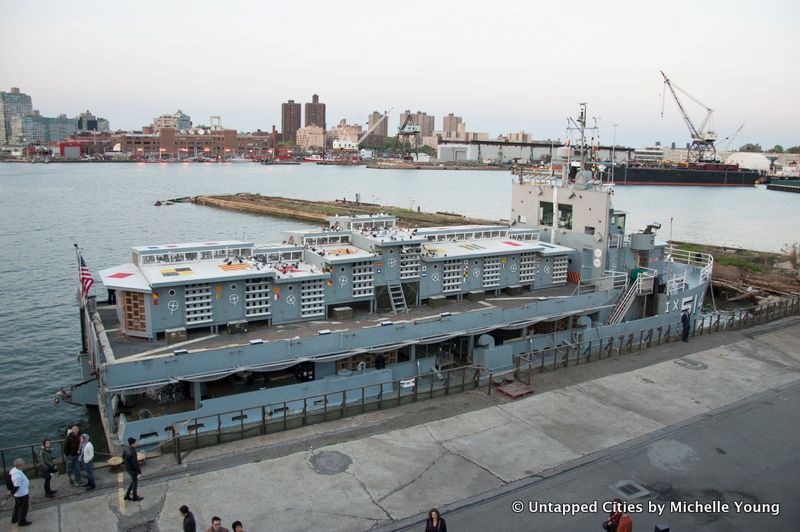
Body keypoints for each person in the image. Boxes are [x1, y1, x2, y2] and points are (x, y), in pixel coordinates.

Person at [9, 457, 32, 526]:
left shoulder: (13, 470)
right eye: (23, 464)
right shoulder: (17, 475)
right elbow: (16, 486)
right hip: (21, 494)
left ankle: (14, 518)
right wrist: (11, 493)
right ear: (19, 465)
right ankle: (22, 521)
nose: (24, 465)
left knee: (17, 506)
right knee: (23, 508)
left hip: (19, 494)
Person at [122, 437, 143, 501]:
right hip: (132, 470)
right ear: (133, 443)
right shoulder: (133, 452)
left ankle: (127, 495)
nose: (136, 443)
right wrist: (139, 471)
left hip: (128, 468)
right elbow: (135, 463)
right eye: (135, 442)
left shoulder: (126, 449)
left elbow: (123, 457)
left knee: (133, 481)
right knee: (135, 482)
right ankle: (135, 496)